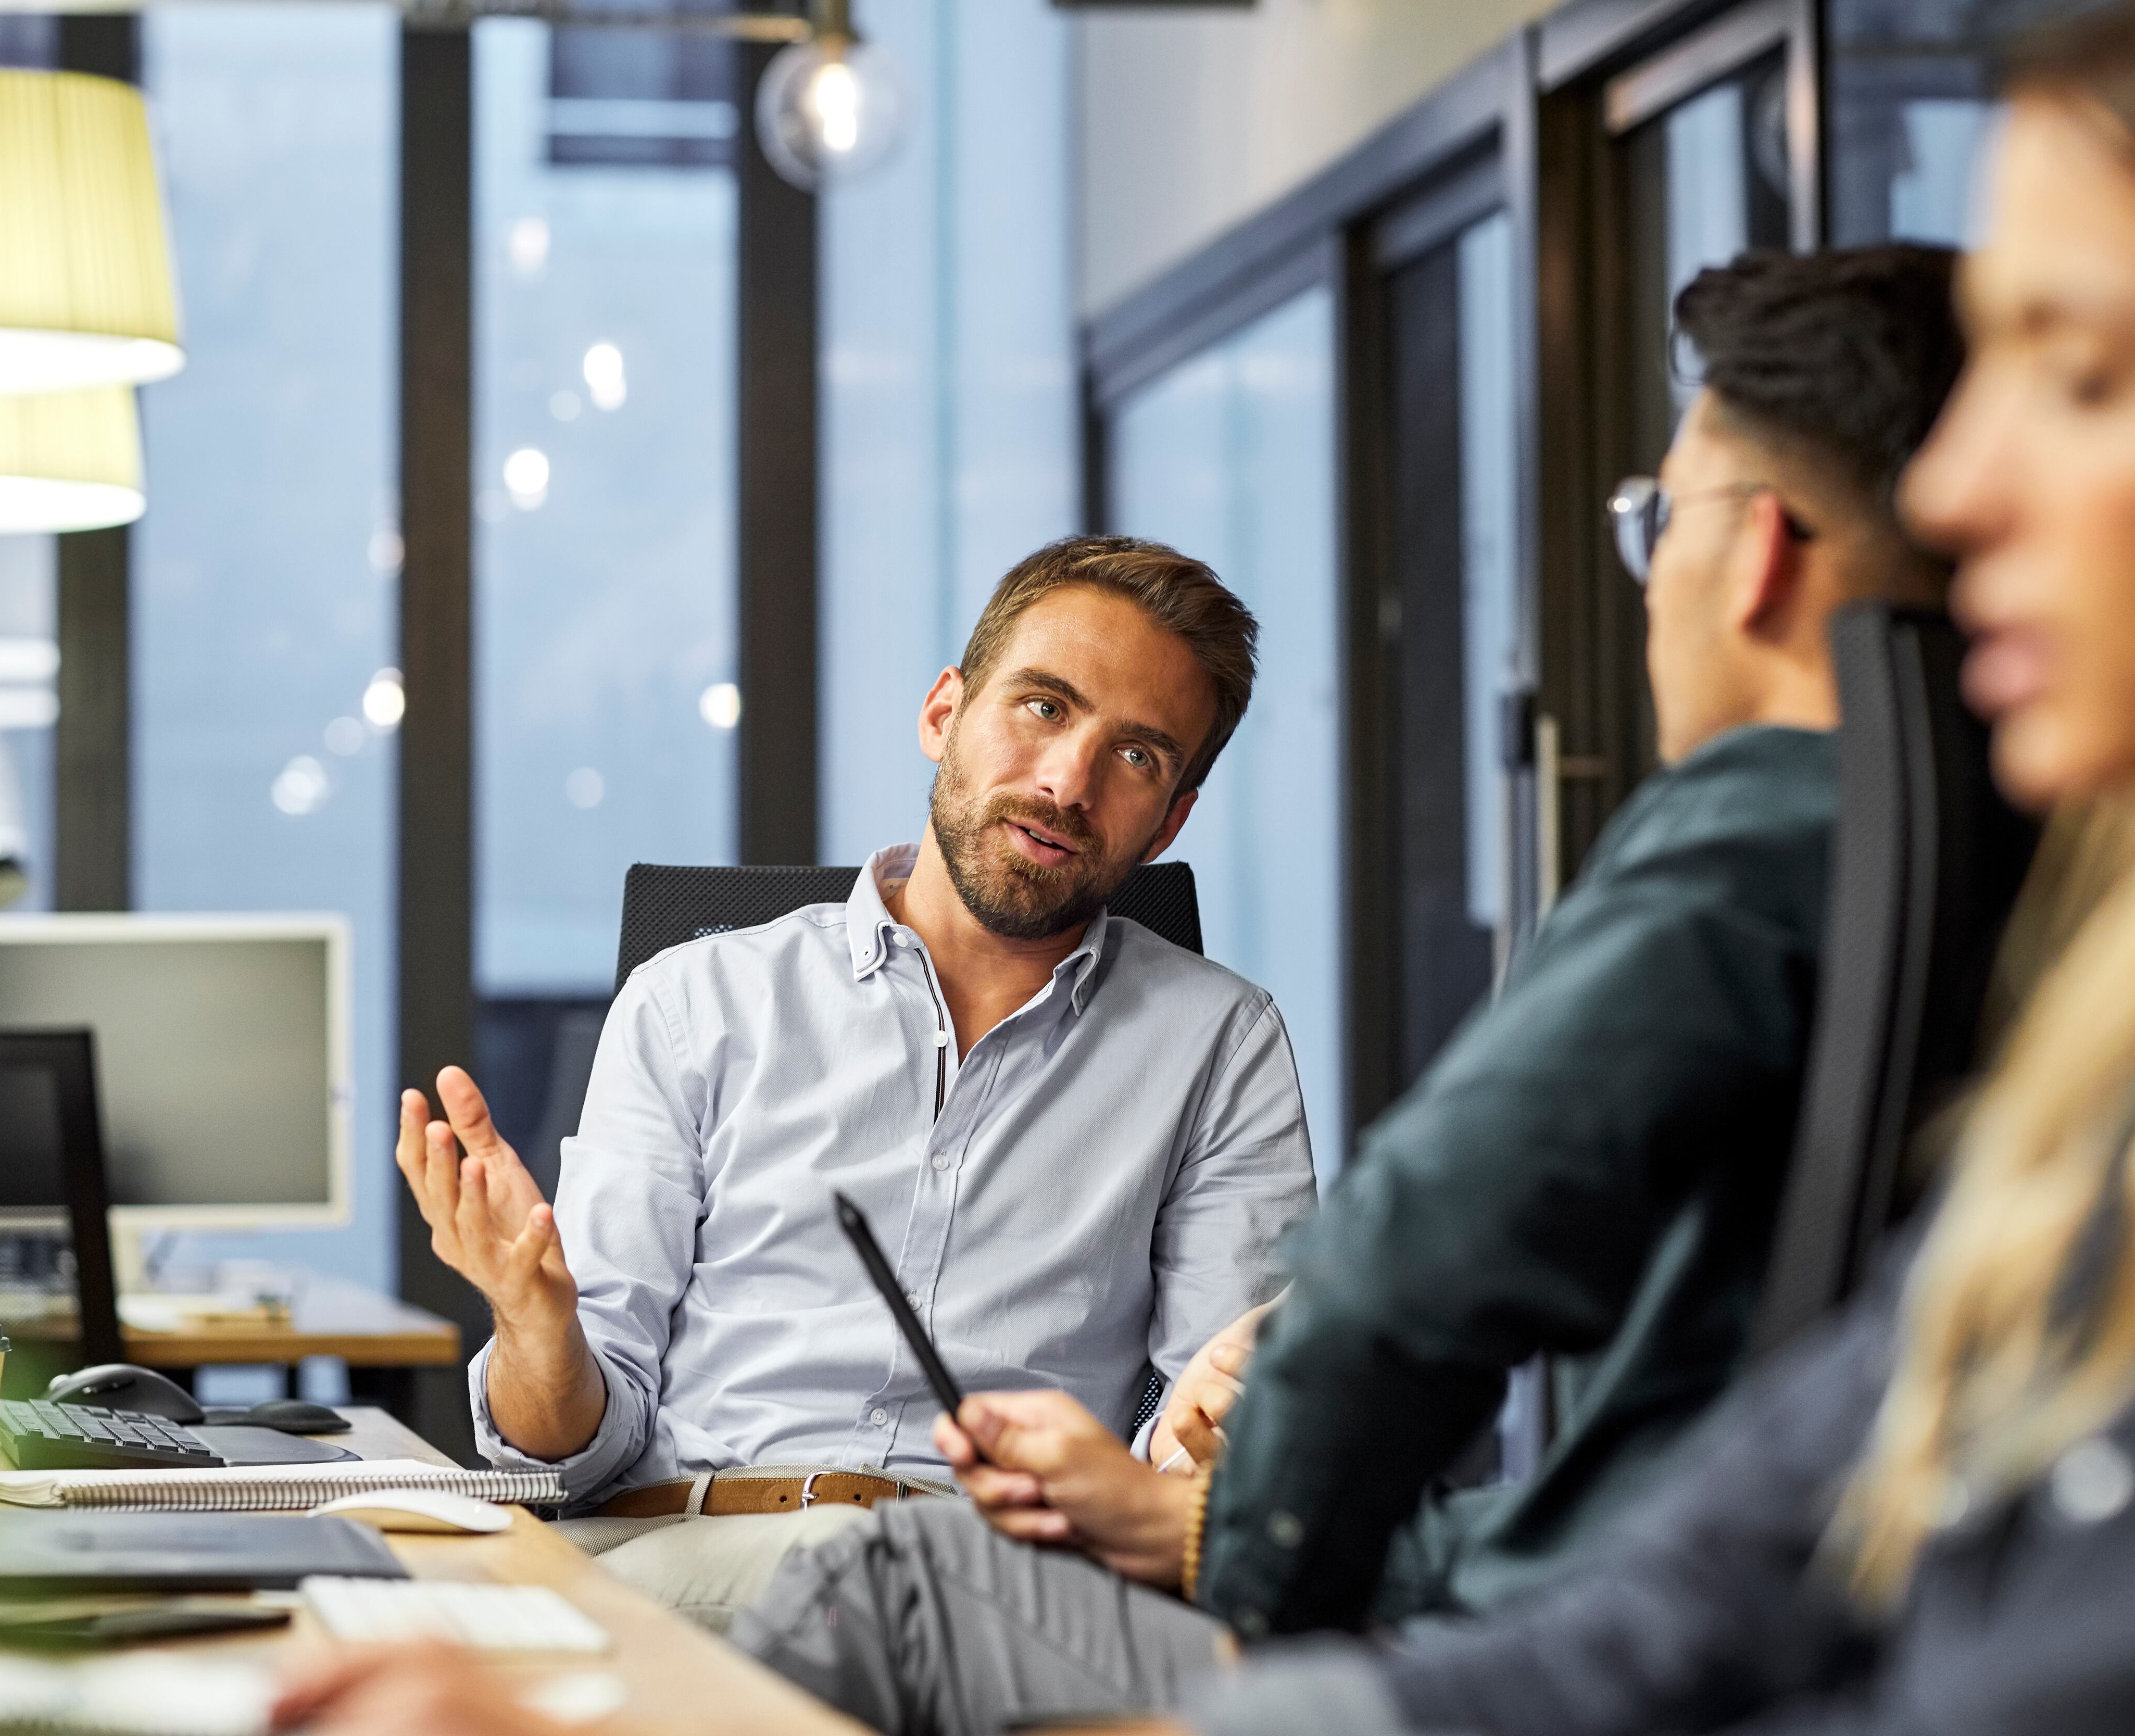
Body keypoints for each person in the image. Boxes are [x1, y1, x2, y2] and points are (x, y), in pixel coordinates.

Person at [704, 16, 2135, 1731]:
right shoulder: (2056, 964)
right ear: (948, 713)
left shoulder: (1756, 830)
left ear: (1749, 551)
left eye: (2085, 372)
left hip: (1473, 1611)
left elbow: (1407, 1274)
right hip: (1523, 1610)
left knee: (875, 1584)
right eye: (1040, 712)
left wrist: (1250, 1583)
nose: (1973, 492)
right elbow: (1714, 1533)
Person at [394, 535, 1317, 1630]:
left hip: (995, 1589)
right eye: (1042, 706)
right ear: (943, 715)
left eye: (1136, 757)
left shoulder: (1222, 1043)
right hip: (682, 1557)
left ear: (1168, 819)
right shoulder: (693, 999)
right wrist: (539, 1329)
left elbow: (1190, 1444)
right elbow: (565, 1447)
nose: (1067, 780)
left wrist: (1212, 1436)